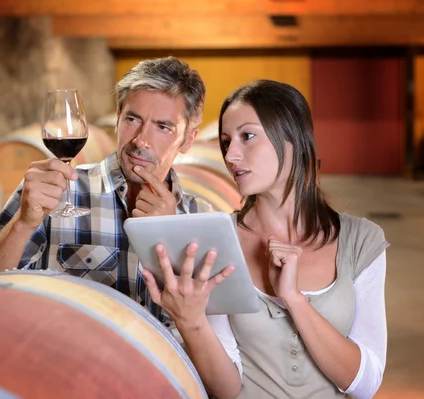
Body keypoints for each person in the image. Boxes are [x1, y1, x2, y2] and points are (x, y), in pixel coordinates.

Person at [141, 80, 389, 399]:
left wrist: (294, 299)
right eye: (226, 141)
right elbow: (227, 389)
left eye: (247, 136)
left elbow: (366, 384)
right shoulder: (218, 238)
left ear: (293, 139)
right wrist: (190, 323)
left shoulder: (361, 240)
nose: (231, 155)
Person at [0, 56, 227, 328]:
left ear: (188, 139)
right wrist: (23, 224)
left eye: (163, 127)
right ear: (118, 119)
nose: (141, 140)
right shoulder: (57, 189)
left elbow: (208, 332)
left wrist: (169, 237)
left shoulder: (200, 216)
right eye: (133, 119)